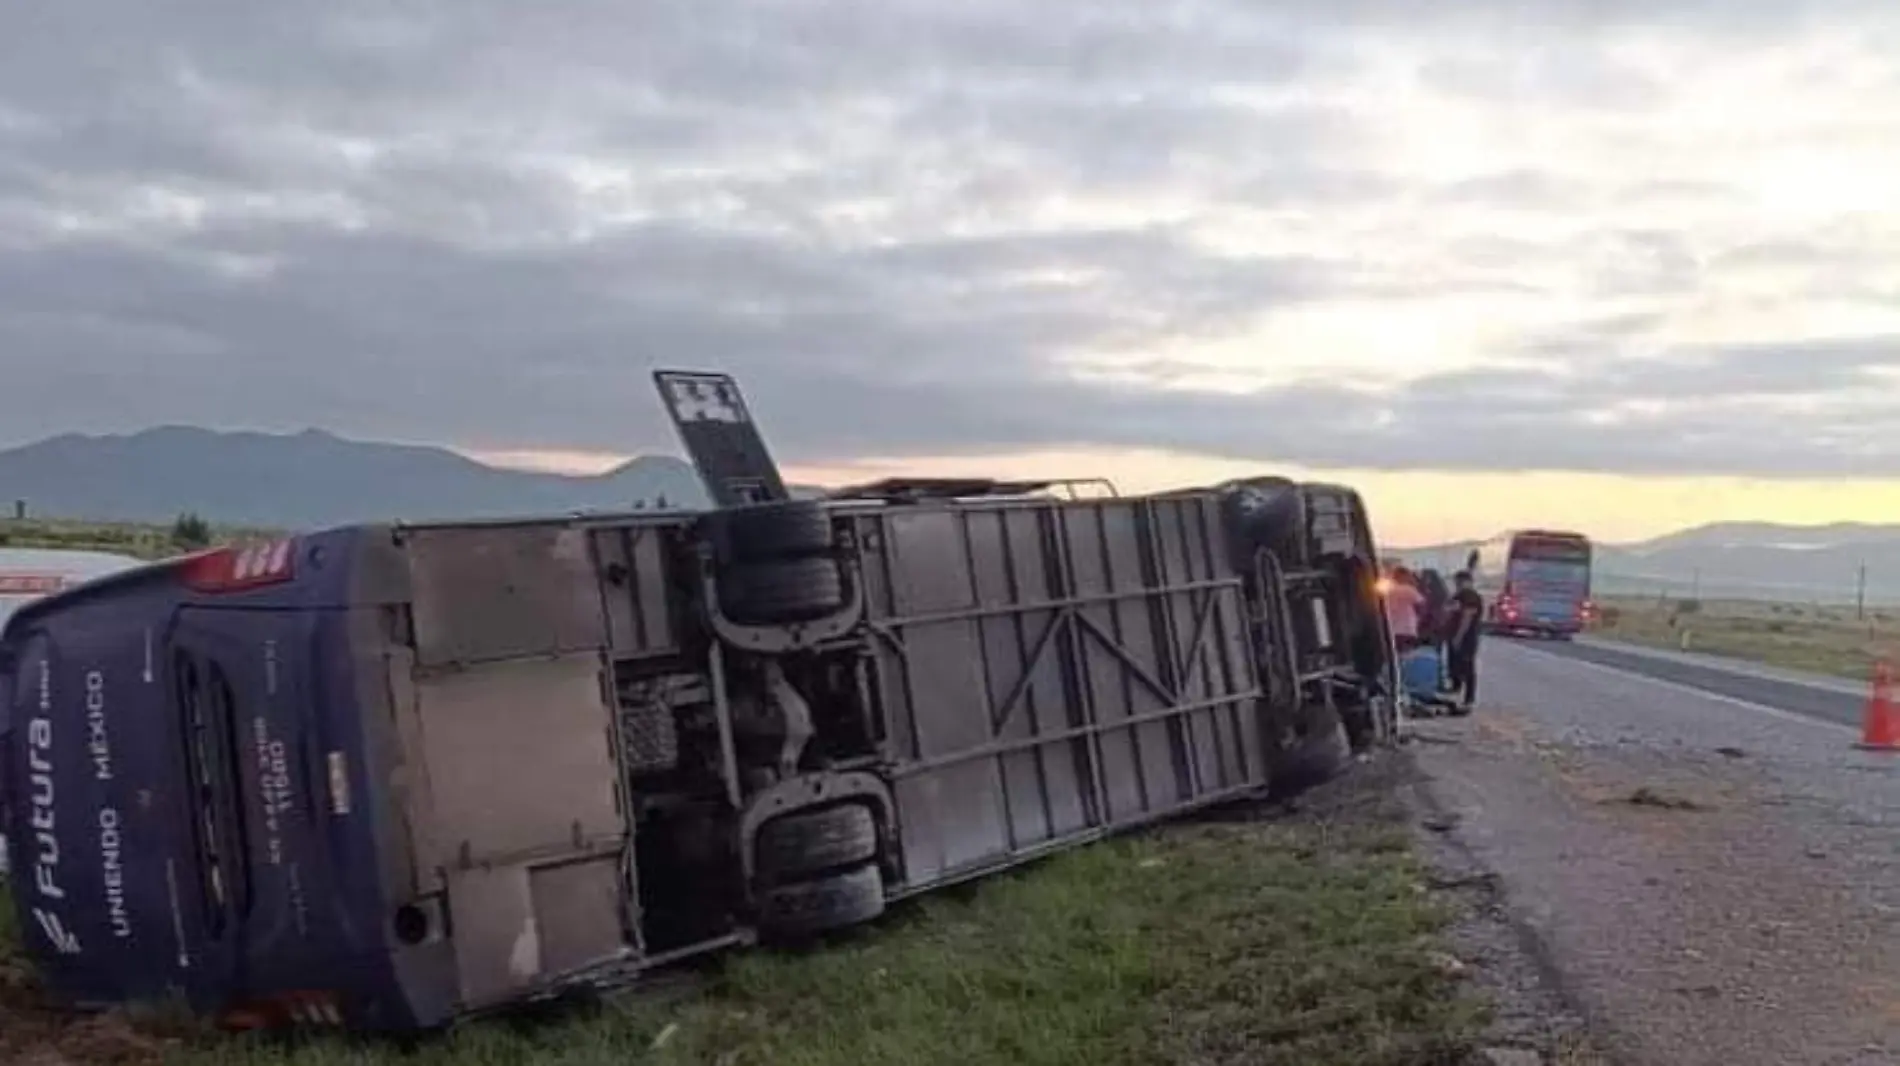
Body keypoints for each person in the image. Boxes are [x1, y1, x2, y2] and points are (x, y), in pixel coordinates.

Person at [1445, 570, 1484, 709]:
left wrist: (1458, 637)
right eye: (1456, 582)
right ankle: (1456, 687)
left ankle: (1469, 698)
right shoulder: (1459, 595)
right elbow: (1450, 610)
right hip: (1455, 635)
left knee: (1467, 666)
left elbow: (1467, 618)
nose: (1457, 584)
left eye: (1459, 582)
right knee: (1455, 664)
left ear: (1467, 581)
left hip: (1467, 637)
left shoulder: (1471, 596)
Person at [1382, 564, 1426, 653]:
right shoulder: (1408, 590)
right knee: (1408, 655)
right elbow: (1422, 604)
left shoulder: (1386, 591)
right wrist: (1419, 619)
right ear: (1404, 576)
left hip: (1391, 629)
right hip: (1407, 629)